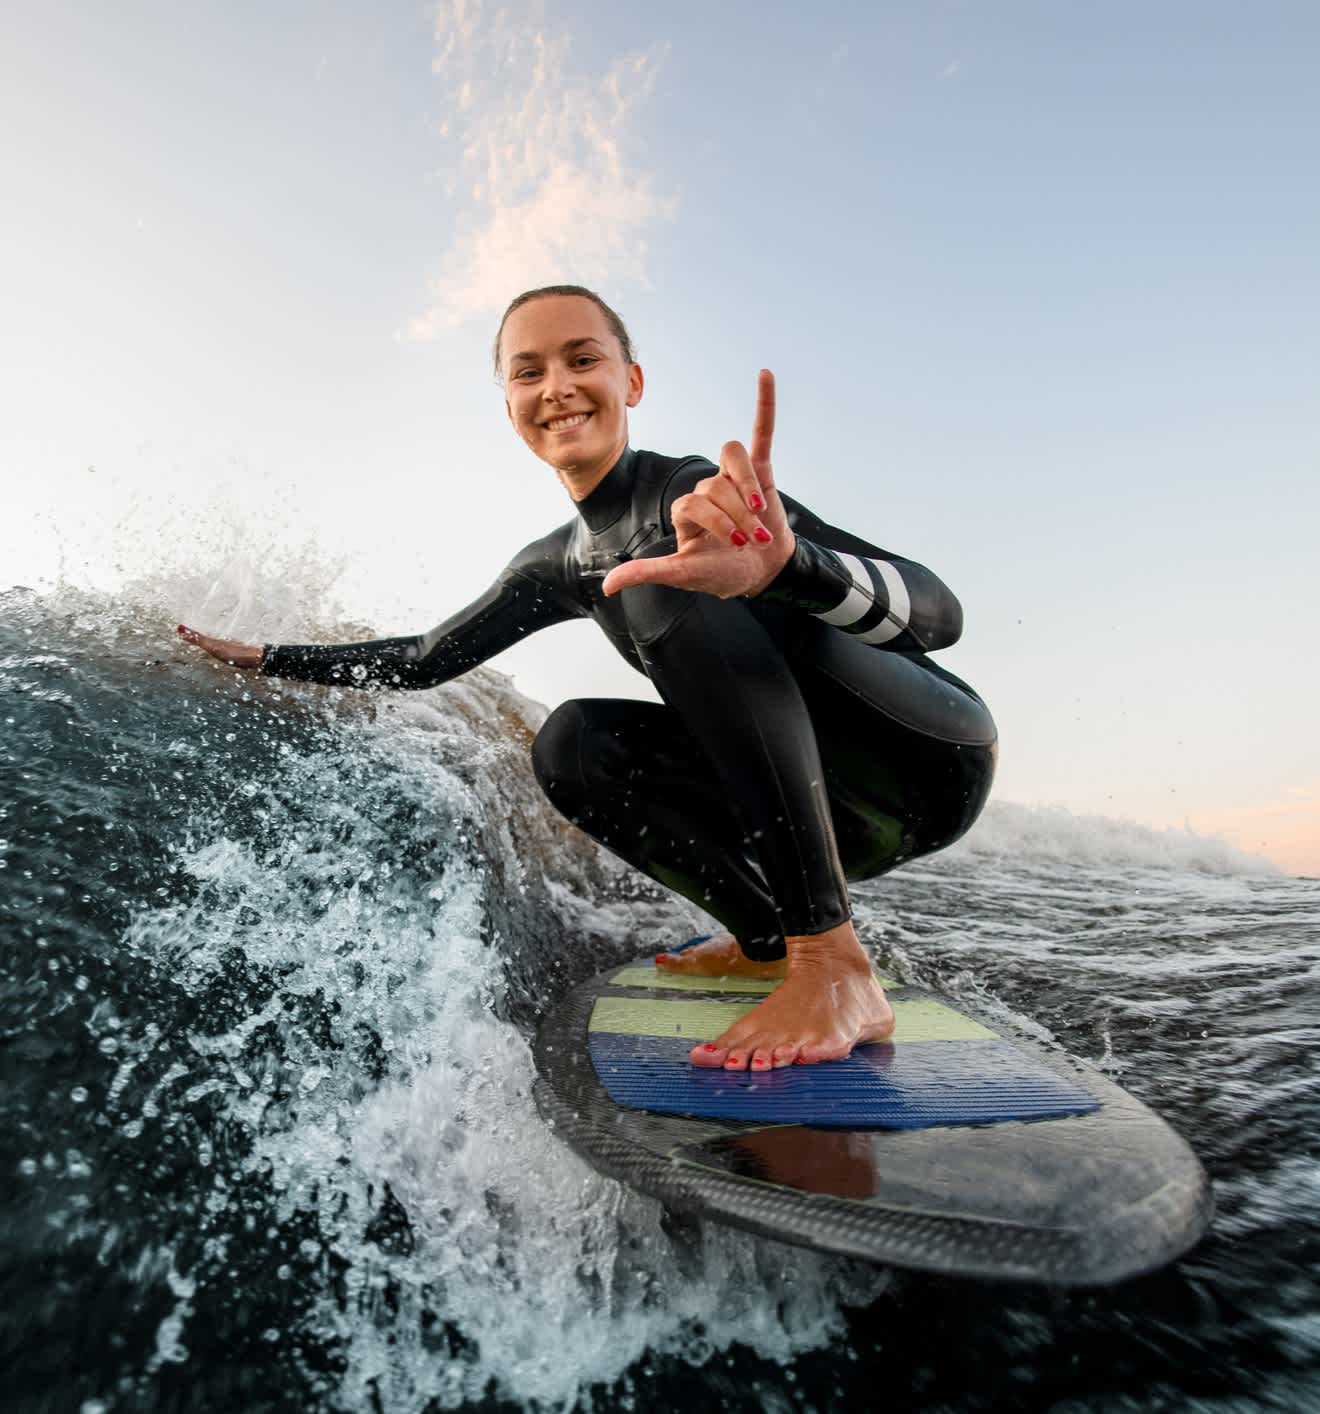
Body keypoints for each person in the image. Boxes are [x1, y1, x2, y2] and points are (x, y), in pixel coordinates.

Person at [179, 285, 997, 1073]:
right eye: (528, 372)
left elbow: (942, 614)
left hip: (928, 759)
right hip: (833, 816)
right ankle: (772, 943)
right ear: (509, 405)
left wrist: (787, 567)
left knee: (657, 575)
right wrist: (271, 659)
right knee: (573, 745)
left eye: (582, 359)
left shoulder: (694, 496)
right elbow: (429, 657)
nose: (557, 387)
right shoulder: (555, 564)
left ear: (630, 381)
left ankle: (833, 965)